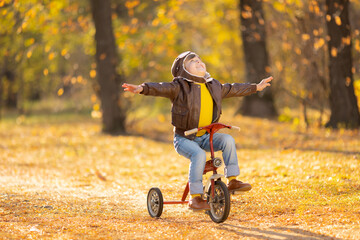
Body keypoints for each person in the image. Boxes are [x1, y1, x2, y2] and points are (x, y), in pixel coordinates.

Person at [122, 51, 272, 210]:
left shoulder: (213, 86)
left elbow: (233, 88)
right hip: (184, 139)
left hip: (205, 137)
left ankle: (233, 180)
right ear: (183, 69)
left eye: (200, 60)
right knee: (198, 155)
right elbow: (161, 88)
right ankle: (195, 198)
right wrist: (142, 88)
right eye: (193, 61)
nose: (199, 62)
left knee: (228, 140)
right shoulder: (179, 87)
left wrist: (256, 87)